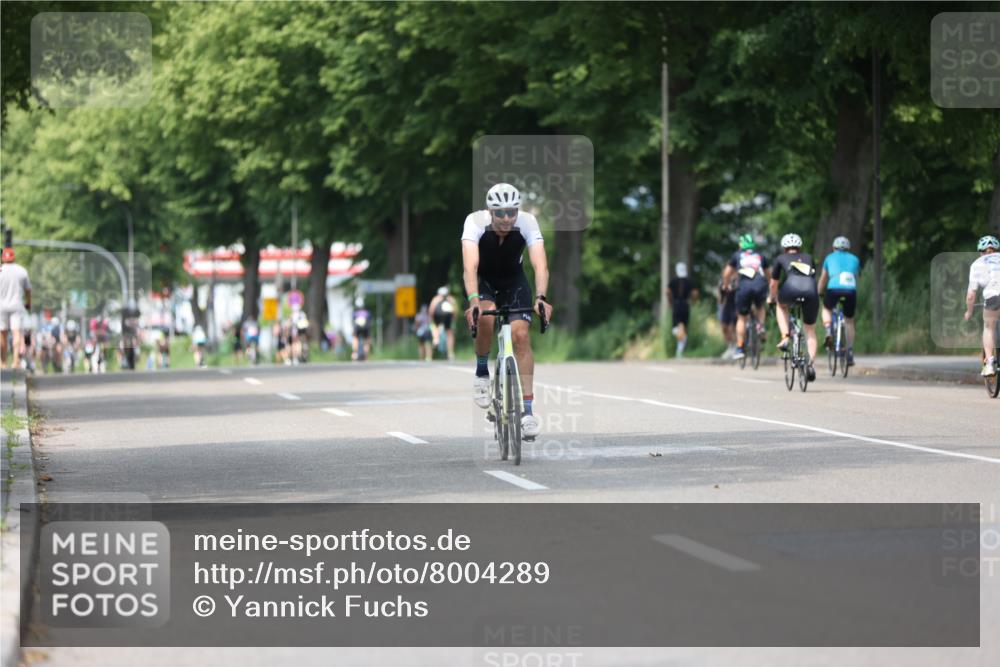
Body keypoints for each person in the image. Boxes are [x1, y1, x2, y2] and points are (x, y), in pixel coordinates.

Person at [462, 182, 552, 440]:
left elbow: (540, 265)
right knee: (487, 317)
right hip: (484, 281)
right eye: (500, 212)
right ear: (489, 212)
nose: (506, 218)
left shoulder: (527, 222)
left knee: (521, 335)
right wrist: (473, 300)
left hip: (514, 281)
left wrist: (541, 297)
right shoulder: (475, 222)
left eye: (511, 212)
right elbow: (470, 266)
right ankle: (481, 371)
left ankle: (527, 412)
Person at [770, 233, 819, 382]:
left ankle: (785, 337)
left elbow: (773, 284)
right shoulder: (809, 258)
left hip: (790, 289)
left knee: (780, 305)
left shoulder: (780, 258)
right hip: (811, 291)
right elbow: (812, 276)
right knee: (810, 330)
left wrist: (772, 297)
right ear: (799, 247)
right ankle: (809, 364)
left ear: (785, 248)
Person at [724, 234, 769, 361]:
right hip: (760, 284)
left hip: (743, 286)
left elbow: (727, 273)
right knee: (760, 307)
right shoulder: (760, 255)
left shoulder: (737, 255)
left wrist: (726, 285)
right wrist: (770, 286)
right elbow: (768, 273)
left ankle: (740, 348)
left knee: (742, 318)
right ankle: (760, 326)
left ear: (741, 245)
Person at [818, 235, 861, 367]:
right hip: (850, 290)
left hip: (833, 289)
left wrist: (818, 292)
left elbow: (823, 278)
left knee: (826, 308)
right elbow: (856, 277)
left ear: (834, 248)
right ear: (848, 248)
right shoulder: (855, 259)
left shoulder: (829, 258)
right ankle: (849, 351)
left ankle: (828, 331)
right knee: (849, 320)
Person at [964, 235, 1000, 376]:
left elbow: (971, 295)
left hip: (993, 297)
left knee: (989, 328)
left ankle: (990, 363)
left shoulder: (977, 264)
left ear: (980, 252)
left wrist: (969, 311)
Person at [0, 247, 31, 370]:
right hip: (16, 305)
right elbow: (28, 290)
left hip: (1, 306)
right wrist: (28, 303)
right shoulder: (21, 271)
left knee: (2, 334)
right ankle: (15, 361)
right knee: (16, 332)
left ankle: (3, 363)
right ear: (14, 257)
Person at [667, 262, 698, 358]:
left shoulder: (673, 281)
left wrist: (670, 301)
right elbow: (695, 293)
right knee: (682, 327)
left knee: (676, 328)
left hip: (676, 304)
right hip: (685, 305)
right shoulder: (689, 281)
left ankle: (679, 350)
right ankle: (679, 350)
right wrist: (692, 302)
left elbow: (667, 291)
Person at [428, 285, 458, 361]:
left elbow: (431, 310)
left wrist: (432, 320)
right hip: (448, 315)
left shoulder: (436, 299)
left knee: (435, 327)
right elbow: (455, 310)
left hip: (437, 315)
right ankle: (450, 352)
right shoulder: (450, 299)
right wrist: (453, 319)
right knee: (449, 333)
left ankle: (436, 339)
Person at [717, 275, 738, 359]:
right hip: (726, 306)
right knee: (724, 327)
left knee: (732, 328)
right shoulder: (722, 281)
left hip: (736, 305)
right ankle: (730, 347)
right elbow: (720, 295)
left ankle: (736, 347)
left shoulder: (738, 280)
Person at [352, 297, 372, 361]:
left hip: (357, 328)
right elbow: (370, 321)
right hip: (366, 328)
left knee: (355, 338)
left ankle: (355, 353)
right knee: (367, 340)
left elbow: (353, 321)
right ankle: (366, 355)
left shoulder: (355, 313)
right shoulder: (367, 312)